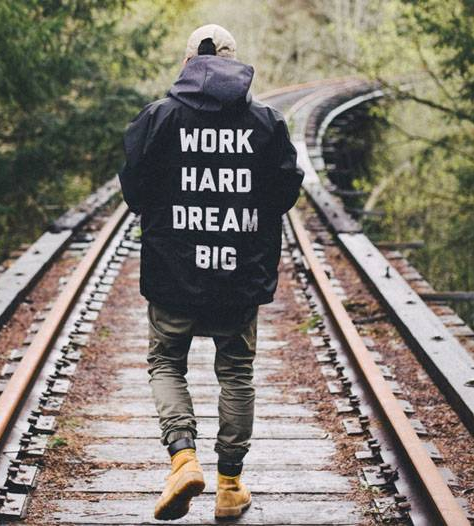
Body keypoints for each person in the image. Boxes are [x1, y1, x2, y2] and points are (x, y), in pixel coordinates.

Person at [118, 24, 303, 520]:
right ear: (233, 62)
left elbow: (134, 191)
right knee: (236, 372)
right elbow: (285, 192)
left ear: (187, 64)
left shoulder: (158, 118)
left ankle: (183, 459)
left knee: (165, 363)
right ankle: (229, 486)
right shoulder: (265, 122)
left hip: (173, 272)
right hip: (238, 273)